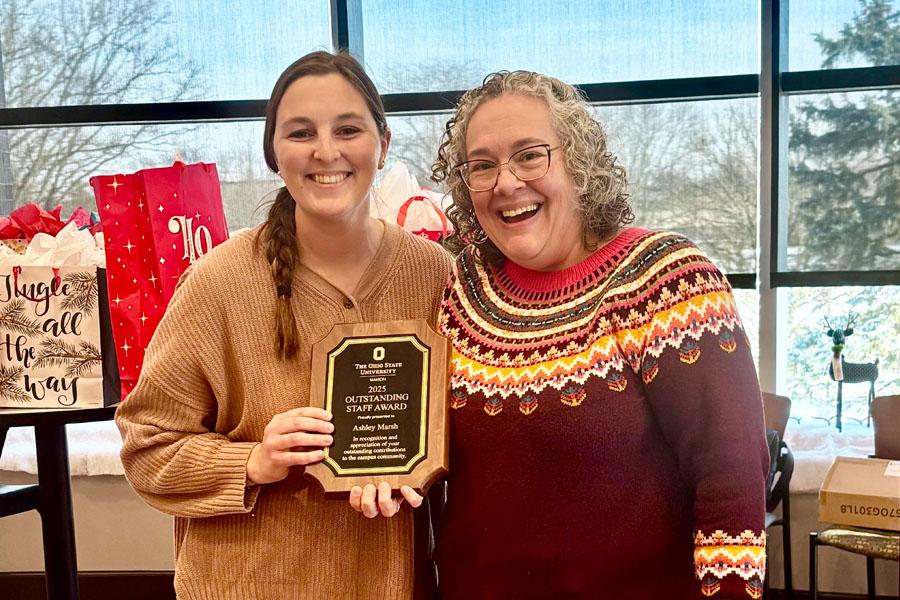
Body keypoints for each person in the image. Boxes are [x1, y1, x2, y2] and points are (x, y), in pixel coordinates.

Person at [116, 50, 451, 600]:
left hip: (393, 583)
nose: (326, 151)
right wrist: (252, 460)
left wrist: (419, 467)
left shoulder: (436, 275)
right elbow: (146, 445)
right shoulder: (216, 283)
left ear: (383, 144)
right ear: (274, 153)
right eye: (300, 133)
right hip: (247, 584)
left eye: (348, 128)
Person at [430, 71, 768, 599]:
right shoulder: (464, 287)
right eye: (482, 165)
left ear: (578, 162)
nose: (506, 182)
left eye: (530, 155)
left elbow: (731, 480)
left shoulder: (667, 279)